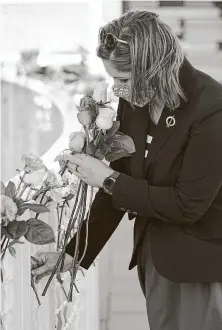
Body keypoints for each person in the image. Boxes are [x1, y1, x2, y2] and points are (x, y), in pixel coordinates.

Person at [31, 10, 222, 330]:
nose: (116, 89)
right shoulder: (137, 100)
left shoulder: (211, 108)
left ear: (153, 69)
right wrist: (73, 254)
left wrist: (106, 176)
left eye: (123, 79)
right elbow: (118, 187)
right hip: (155, 258)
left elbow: (186, 204)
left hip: (198, 267)